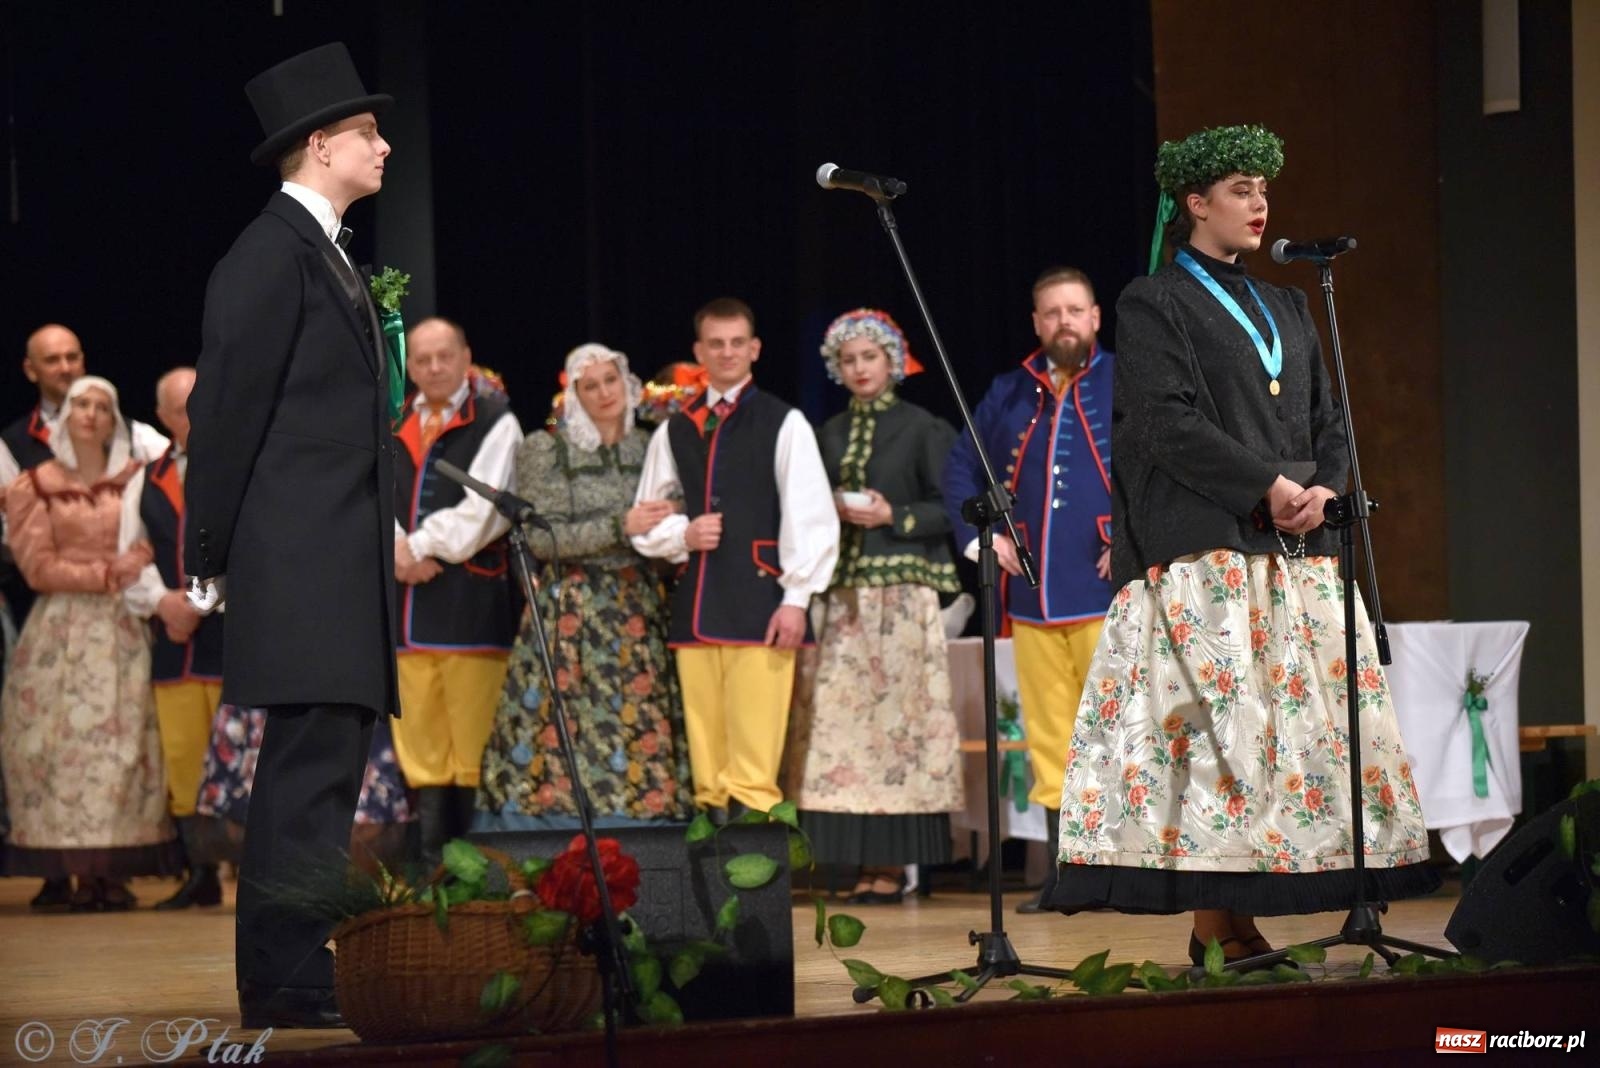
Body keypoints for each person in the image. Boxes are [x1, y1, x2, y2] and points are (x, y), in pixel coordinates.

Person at [1049, 124, 1438, 963]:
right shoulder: (1154, 301)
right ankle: (1222, 929)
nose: (1259, 203)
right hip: (1211, 554)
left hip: (1297, 559)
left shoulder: (1292, 303)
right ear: (1194, 203)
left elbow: (1329, 419)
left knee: (1278, 747)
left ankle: (1225, 934)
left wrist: (1325, 489)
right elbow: (1163, 422)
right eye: (1239, 189)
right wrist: (1266, 486)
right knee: (1219, 744)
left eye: (1263, 188)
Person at [184, 42, 395, 1029]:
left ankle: (304, 959)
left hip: (338, 559)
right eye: (368, 133)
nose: (384, 146)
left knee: (329, 771)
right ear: (320, 145)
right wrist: (208, 553)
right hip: (299, 559)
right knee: (305, 777)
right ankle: (283, 973)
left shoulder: (328, 251)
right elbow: (226, 413)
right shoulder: (269, 254)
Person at [942, 266, 1114, 912]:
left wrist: (1131, 537)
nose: (1064, 321)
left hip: (1108, 595)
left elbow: (1158, 464)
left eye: (1074, 310)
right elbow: (961, 465)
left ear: (1095, 317)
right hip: (1034, 599)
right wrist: (981, 540)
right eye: (1051, 312)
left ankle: (1122, 871)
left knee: (1116, 733)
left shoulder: (1125, 380)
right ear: (1037, 322)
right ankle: (1065, 874)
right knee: (1051, 738)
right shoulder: (1010, 391)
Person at [632, 299, 839, 819]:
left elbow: (810, 515)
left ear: (754, 349)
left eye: (736, 343)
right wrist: (684, 532)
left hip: (760, 604)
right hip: (699, 605)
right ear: (700, 351)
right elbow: (647, 516)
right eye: (715, 344)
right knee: (708, 755)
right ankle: (710, 878)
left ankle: (756, 882)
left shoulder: (783, 421)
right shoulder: (674, 428)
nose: (726, 352)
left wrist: (796, 599)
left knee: (753, 758)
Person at [784, 309, 963, 904]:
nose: (860, 368)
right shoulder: (827, 433)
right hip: (843, 600)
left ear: (892, 361)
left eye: (870, 357)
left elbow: (955, 507)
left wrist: (895, 516)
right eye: (849, 360)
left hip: (902, 602)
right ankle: (850, 862)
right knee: (840, 733)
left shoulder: (922, 427)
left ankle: (890, 864)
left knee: (896, 733)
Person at [477, 343, 695, 830]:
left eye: (610, 380)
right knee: (560, 727)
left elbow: (675, 511)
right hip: (570, 610)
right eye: (589, 385)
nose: (603, 393)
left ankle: (647, 839)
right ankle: (546, 840)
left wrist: (668, 523)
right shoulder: (547, 448)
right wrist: (624, 525)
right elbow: (542, 538)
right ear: (573, 393)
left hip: (638, 604)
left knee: (639, 723)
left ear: (627, 383)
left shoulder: (653, 445)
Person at [1, 376, 177, 910]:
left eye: (103, 405)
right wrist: (106, 571)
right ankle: (67, 870)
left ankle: (110, 870)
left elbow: (157, 538)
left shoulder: (136, 478)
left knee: (123, 744)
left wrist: (137, 563)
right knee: (54, 745)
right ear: (63, 416)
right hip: (63, 628)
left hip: (123, 625)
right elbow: (36, 566)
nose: (92, 414)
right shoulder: (36, 484)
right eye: (81, 404)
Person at [390, 317, 522, 865]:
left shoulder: (496, 422)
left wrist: (419, 546)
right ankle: (429, 865)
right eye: (422, 359)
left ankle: (474, 868)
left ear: (466, 356)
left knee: (473, 744)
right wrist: (394, 551)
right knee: (418, 744)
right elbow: (366, 495)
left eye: (444, 356)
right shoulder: (392, 423)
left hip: (472, 606)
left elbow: (484, 513)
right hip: (404, 609)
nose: (434, 368)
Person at [120, 367, 227, 909]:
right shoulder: (145, 477)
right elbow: (131, 554)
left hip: (231, 639)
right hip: (174, 643)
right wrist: (162, 601)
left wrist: (202, 602)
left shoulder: (238, 467)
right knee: (184, 758)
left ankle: (251, 870)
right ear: (163, 419)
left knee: (241, 758)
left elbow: (252, 550)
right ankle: (201, 872)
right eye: (183, 409)